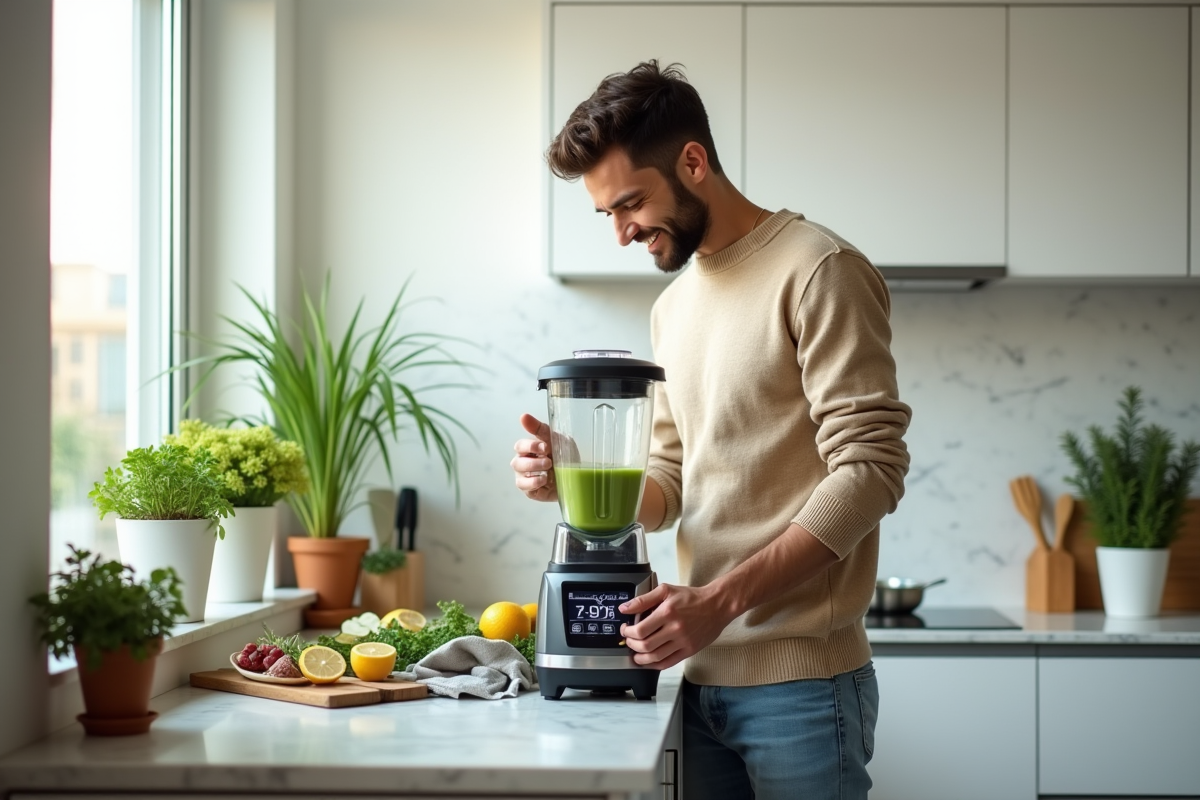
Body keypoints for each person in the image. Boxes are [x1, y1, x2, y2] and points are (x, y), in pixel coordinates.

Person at [511, 60, 911, 800]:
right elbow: (669, 485)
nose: (623, 234)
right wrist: (571, 478)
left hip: (803, 688)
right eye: (607, 215)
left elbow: (871, 471)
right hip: (696, 679)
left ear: (693, 162)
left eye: (631, 203)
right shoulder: (673, 308)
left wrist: (721, 601)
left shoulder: (818, 269)